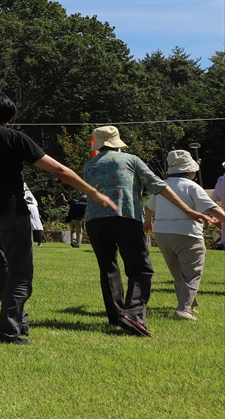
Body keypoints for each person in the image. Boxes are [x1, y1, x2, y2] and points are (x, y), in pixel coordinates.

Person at [0, 92, 116, 345]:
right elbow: (59, 170)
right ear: (11, 117)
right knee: (20, 274)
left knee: (2, 268)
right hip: (10, 212)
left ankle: (19, 320)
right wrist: (93, 192)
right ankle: (6, 332)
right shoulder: (15, 138)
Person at [82, 126, 209, 337]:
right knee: (141, 270)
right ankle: (132, 315)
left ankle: (116, 315)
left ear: (97, 144)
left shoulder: (90, 164)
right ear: (118, 143)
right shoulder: (131, 160)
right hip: (126, 217)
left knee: (108, 268)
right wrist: (187, 209)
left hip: (94, 221)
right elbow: (158, 186)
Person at [143, 150, 225, 322]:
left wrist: (148, 222)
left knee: (178, 273)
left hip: (162, 233)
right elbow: (212, 208)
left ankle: (189, 303)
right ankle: (184, 309)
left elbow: (149, 207)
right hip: (187, 233)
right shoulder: (192, 187)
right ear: (191, 171)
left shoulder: (162, 185)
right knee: (191, 273)